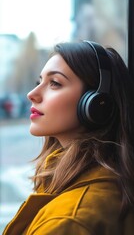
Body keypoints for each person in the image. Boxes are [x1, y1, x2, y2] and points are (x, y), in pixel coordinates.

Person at [3, 41, 134, 235]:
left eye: (55, 83)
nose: (32, 94)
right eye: (39, 82)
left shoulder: (67, 222)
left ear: (97, 104)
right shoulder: (107, 181)